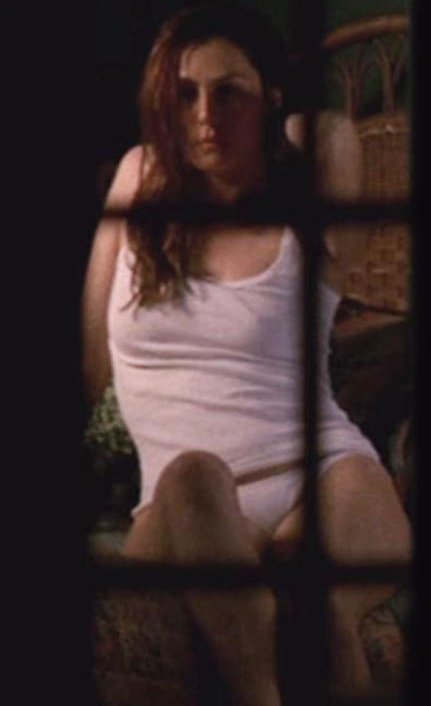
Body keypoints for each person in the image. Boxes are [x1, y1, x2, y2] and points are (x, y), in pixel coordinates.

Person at [81, 4, 411, 703]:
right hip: (185, 506)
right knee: (194, 474)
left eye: (229, 92)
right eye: (185, 94)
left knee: (316, 606)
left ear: (272, 98)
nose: (205, 116)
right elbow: (89, 361)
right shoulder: (137, 181)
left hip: (325, 476)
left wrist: (281, 124)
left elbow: (332, 132)